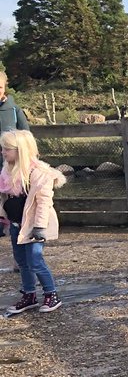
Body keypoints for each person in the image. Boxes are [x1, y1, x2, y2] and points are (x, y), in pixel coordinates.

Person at [1, 129, 65, 315]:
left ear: (20, 150)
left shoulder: (38, 173)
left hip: (34, 225)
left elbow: (44, 202)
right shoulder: (7, 170)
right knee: (21, 261)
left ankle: (51, 294)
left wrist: (39, 227)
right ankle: (29, 294)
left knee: (35, 260)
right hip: (16, 223)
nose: (3, 152)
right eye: (3, 149)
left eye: (7, 149)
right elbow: (4, 198)